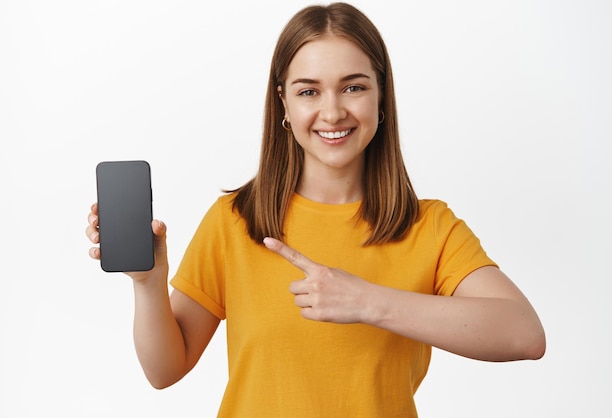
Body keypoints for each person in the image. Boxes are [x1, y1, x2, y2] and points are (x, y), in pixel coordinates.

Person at [86, 3, 545, 417]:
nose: (332, 112)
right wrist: (148, 284)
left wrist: (368, 302)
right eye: (309, 91)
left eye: (353, 87)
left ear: (381, 97)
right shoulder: (235, 220)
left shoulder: (429, 227)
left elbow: (525, 335)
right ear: (282, 100)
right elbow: (165, 370)